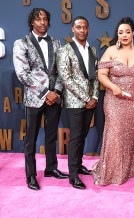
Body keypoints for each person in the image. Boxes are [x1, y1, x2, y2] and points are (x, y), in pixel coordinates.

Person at [13, 8, 69, 190]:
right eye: (38, 19)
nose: (42, 22)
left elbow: (62, 71)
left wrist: (57, 92)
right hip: (35, 98)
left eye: (45, 19)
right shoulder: (21, 43)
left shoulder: (57, 43)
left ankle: (51, 168)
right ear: (32, 22)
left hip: (55, 98)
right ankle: (30, 175)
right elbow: (23, 74)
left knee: (52, 136)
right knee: (31, 139)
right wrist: (46, 92)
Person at [92, 17, 134, 185]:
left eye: (127, 32)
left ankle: (126, 169)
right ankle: (110, 172)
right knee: (114, 134)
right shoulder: (110, 51)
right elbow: (101, 74)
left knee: (129, 135)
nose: (124, 35)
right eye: (121, 32)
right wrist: (113, 87)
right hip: (114, 100)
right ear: (117, 34)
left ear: (133, 33)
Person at [56, 16, 99, 189]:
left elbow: (95, 76)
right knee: (75, 137)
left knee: (83, 135)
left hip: (90, 101)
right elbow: (66, 79)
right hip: (75, 102)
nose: (82, 30)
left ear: (88, 29)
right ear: (73, 29)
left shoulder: (93, 50)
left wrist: (95, 97)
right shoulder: (64, 50)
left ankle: (79, 165)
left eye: (85, 27)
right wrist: (86, 98)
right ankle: (73, 175)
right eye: (78, 27)